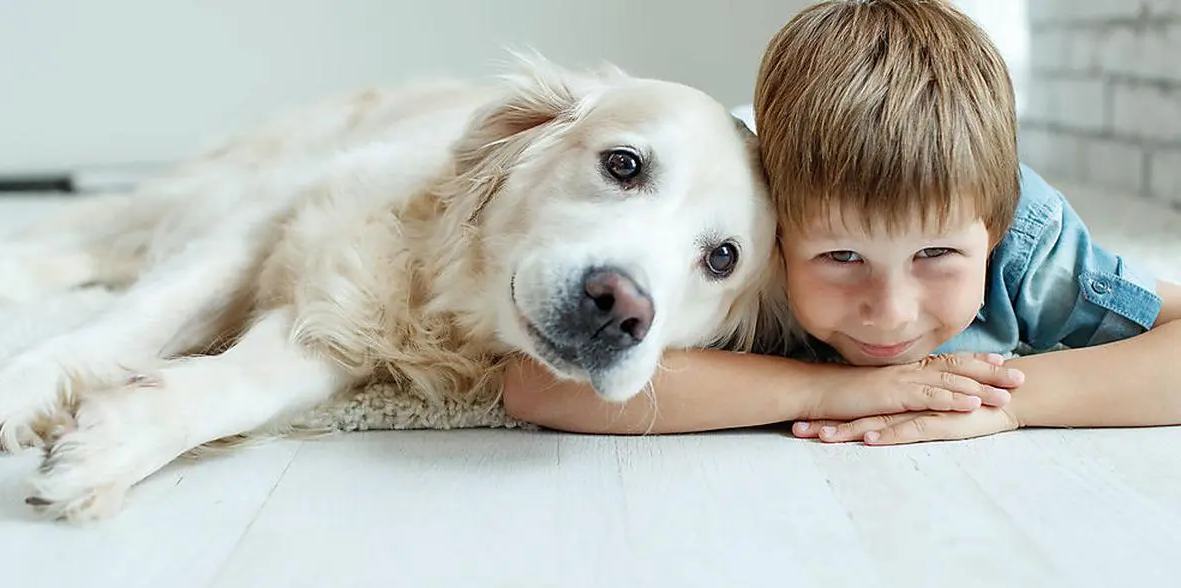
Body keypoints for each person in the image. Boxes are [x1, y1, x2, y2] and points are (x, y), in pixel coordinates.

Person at [501, 0, 1181, 445]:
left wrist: (1008, 402)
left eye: (936, 253)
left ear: (993, 229)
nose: (888, 313)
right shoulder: (748, 241)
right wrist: (842, 390)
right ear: (782, 240)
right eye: (842, 258)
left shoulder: (1024, 234)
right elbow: (536, 387)